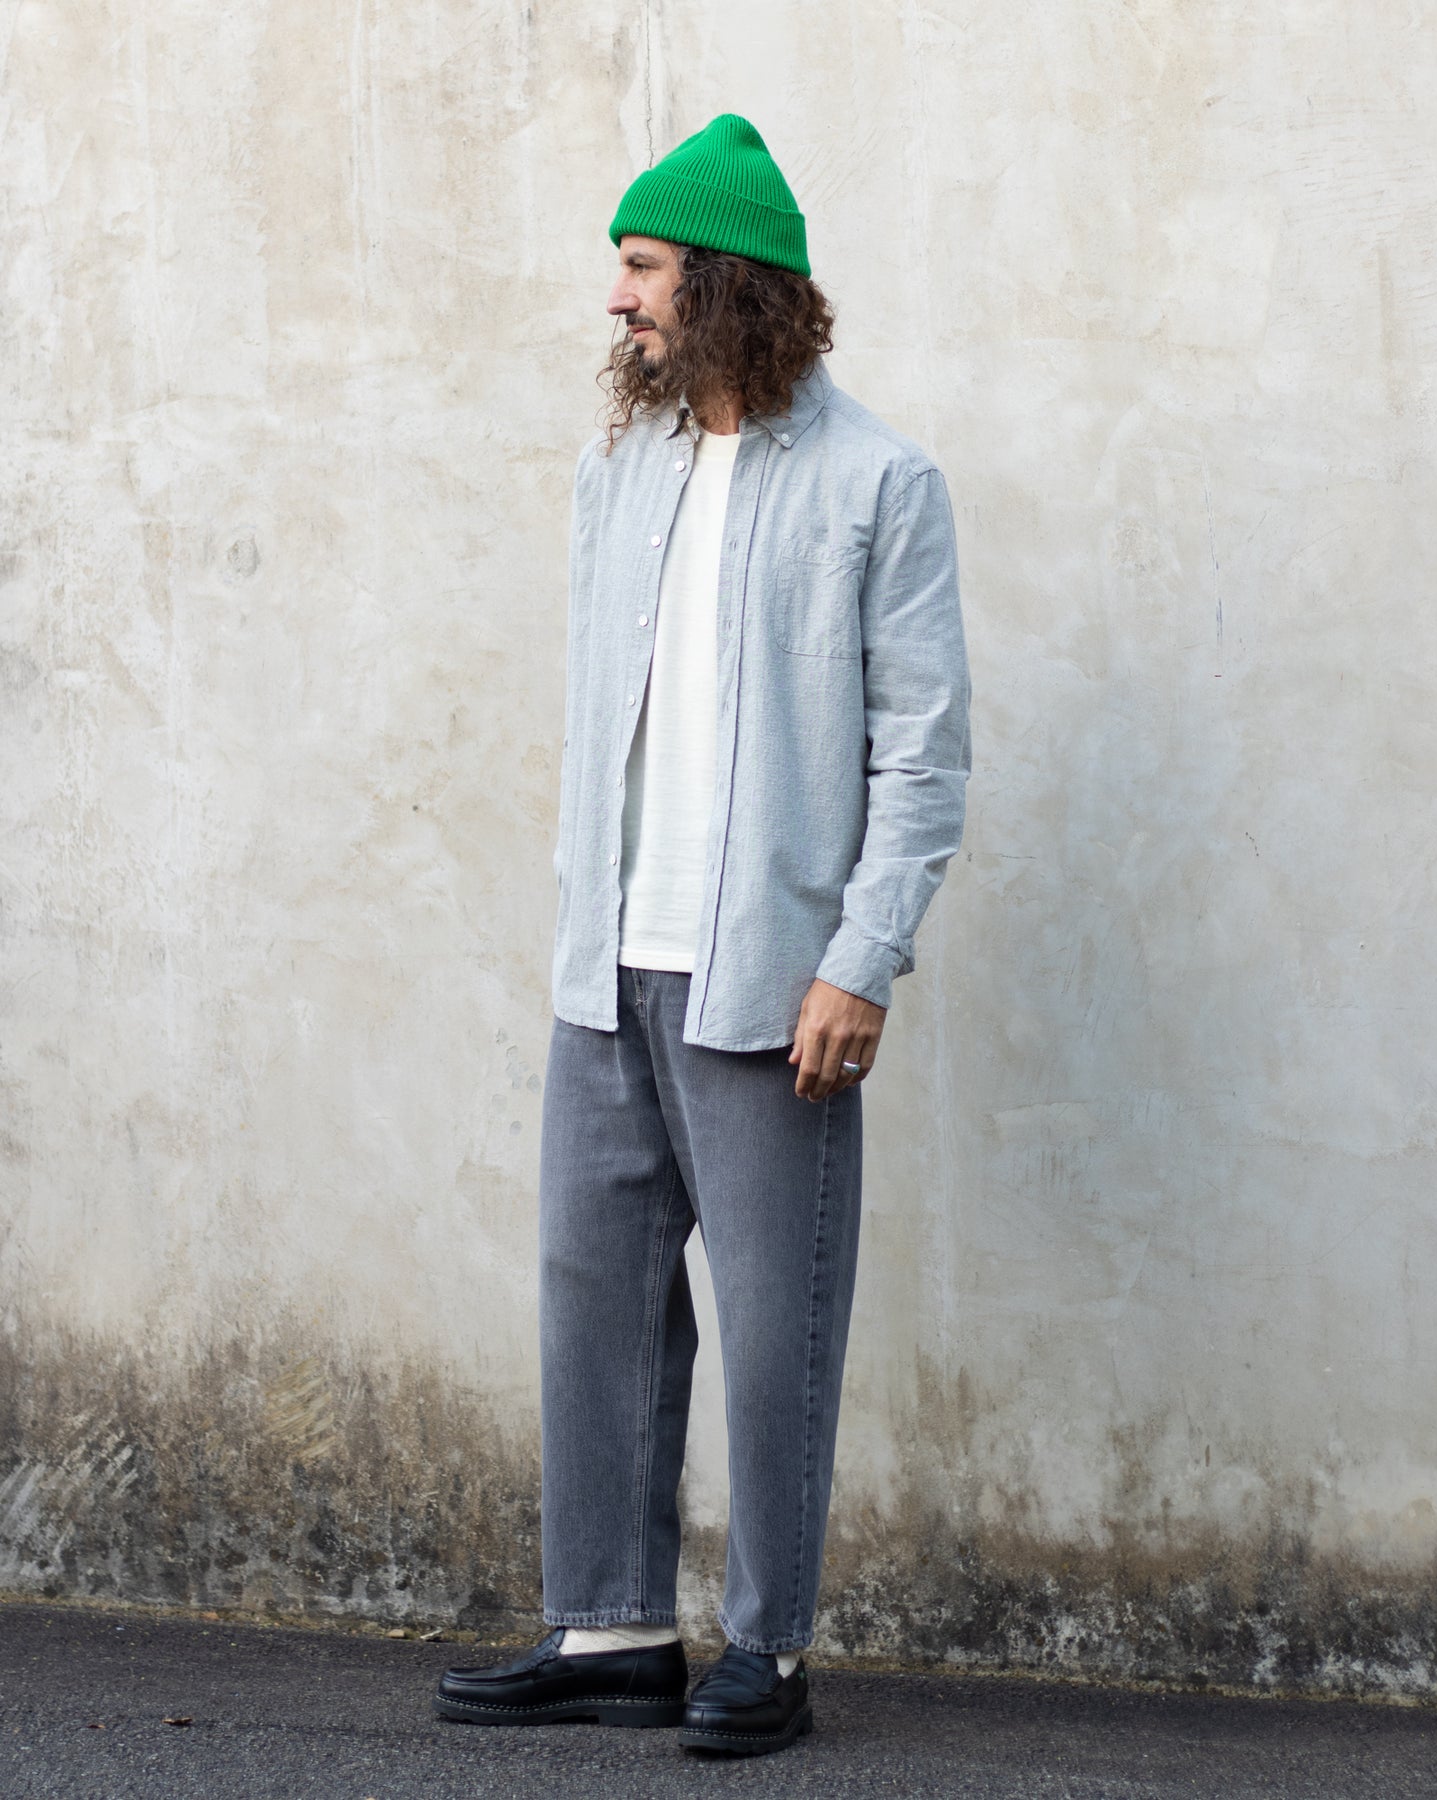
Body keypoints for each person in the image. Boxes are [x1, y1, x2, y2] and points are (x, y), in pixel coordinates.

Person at [434, 112, 971, 1759]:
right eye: (622, 268)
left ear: (729, 281)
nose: (618, 298)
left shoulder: (880, 483)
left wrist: (861, 957)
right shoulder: (621, 471)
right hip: (608, 969)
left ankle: (771, 1650)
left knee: (776, 1324)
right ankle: (611, 1628)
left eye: (645, 266)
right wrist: (576, 931)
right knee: (590, 1300)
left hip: (771, 980)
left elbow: (923, 754)